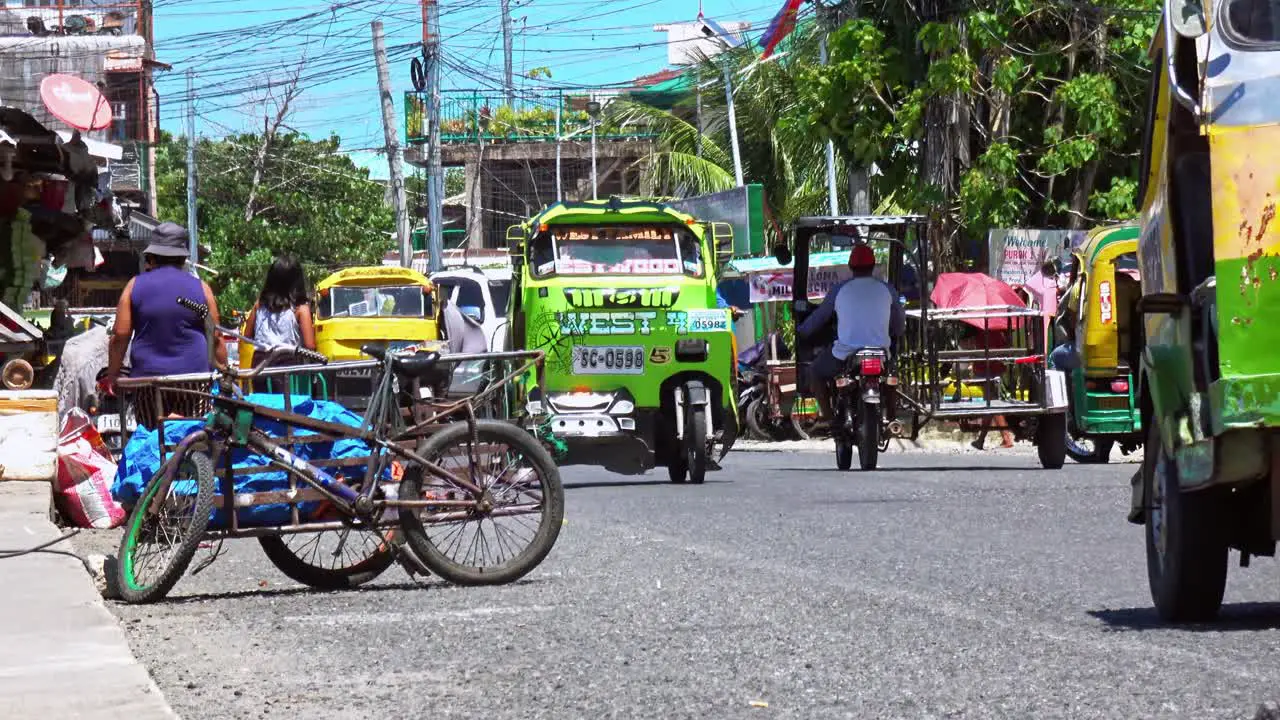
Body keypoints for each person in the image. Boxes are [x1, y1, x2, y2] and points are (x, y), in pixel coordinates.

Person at [103, 222, 227, 415]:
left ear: (151, 257)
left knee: (153, 437)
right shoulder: (201, 288)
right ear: (182, 258)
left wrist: (112, 374)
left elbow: (120, 335)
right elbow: (216, 336)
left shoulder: (134, 286)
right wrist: (225, 373)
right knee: (193, 436)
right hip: (193, 382)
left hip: (148, 384)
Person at [797, 244, 905, 423]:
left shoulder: (839, 290)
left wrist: (803, 331)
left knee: (815, 372)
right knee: (891, 377)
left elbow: (820, 317)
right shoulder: (887, 289)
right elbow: (899, 325)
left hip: (845, 353)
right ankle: (890, 417)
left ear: (850, 267)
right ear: (873, 265)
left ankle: (829, 418)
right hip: (880, 353)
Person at [242, 254, 316, 358]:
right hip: (287, 364)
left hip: (260, 365)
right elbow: (310, 345)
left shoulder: (259, 305)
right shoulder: (300, 308)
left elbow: (247, 336)